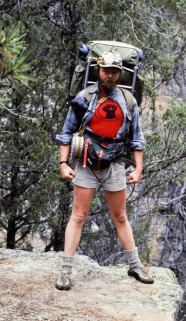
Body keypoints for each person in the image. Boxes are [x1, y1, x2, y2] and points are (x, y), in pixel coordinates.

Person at [55, 51, 153, 290]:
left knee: (120, 217)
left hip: (115, 164)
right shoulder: (85, 97)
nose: (110, 75)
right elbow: (67, 132)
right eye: (106, 71)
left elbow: (136, 138)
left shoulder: (128, 100)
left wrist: (138, 168)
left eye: (114, 71)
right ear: (98, 71)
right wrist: (64, 163)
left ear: (121, 73)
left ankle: (135, 265)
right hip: (86, 163)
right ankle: (66, 271)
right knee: (78, 216)